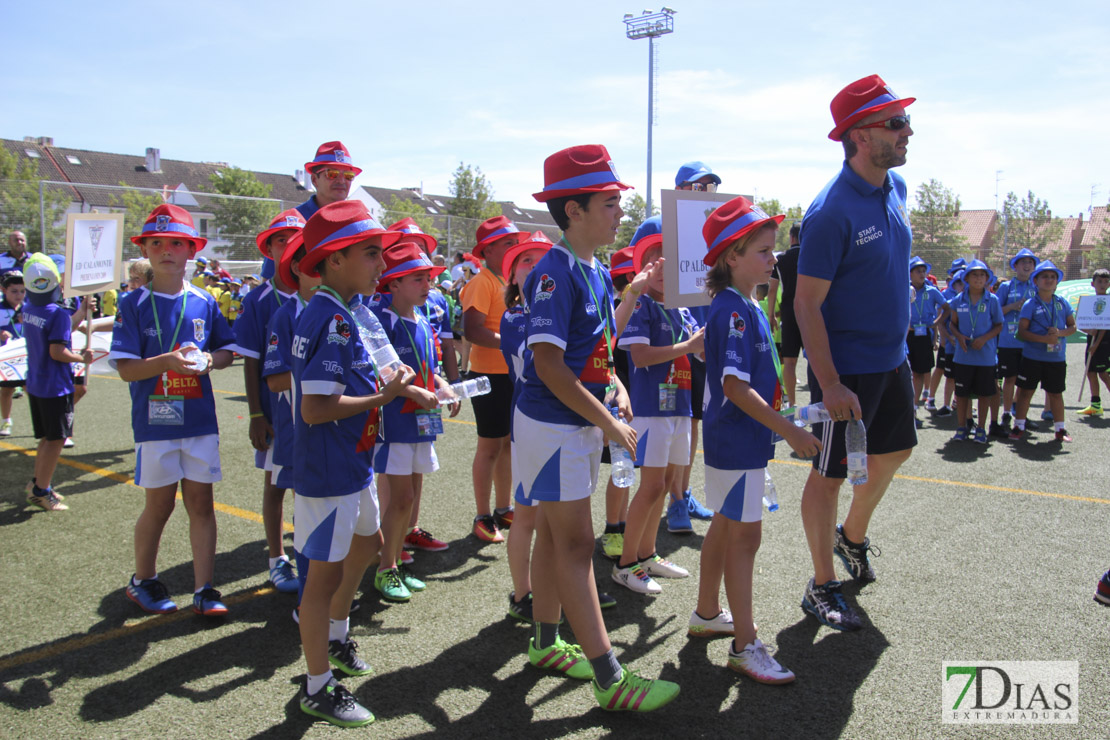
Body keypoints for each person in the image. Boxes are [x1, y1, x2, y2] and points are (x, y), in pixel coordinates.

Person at [521, 144, 679, 711]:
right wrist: (611, 418)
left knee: (554, 536)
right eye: (610, 203)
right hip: (553, 424)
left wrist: (611, 383)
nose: (619, 213)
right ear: (574, 211)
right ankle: (610, 677)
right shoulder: (552, 272)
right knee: (578, 542)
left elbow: (593, 348)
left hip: (572, 420)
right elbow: (547, 365)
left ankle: (544, 643)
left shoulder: (585, 268)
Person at [794, 75, 918, 631]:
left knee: (895, 454)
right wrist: (830, 382)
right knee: (829, 476)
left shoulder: (896, 189)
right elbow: (805, 305)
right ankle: (820, 584)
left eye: (904, 120)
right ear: (861, 135)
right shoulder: (830, 211)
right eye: (895, 123)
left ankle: (852, 536)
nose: (907, 131)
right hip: (846, 374)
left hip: (893, 361)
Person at [289, 200, 409, 727]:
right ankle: (317, 686)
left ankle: (335, 639)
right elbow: (315, 409)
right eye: (370, 253)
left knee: (369, 546)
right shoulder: (332, 319)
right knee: (322, 576)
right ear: (333, 260)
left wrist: (401, 392)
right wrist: (382, 402)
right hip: (329, 469)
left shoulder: (343, 312)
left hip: (352, 463)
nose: (381, 265)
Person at [696, 196, 819, 682]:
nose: (774, 259)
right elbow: (733, 386)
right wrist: (787, 429)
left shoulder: (744, 305)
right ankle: (745, 644)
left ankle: (707, 614)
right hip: (737, 439)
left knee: (728, 528)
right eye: (764, 251)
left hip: (740, 438)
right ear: (732, 257)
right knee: (745, 536)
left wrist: (788, 415)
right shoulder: (735, 311)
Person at [110, 204, 239, 615]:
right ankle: (142, 580)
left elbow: (226, 351)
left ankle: (205, 590)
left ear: (191, 250)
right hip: (156, 423)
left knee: (201, 504)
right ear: (145, 250)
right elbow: (128, 370)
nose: (167, 250)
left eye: (177, 243)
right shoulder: (132, 304)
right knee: (160, 505)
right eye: (157, 243)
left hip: (200, 421)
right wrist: (166, 361)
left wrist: (209, 362)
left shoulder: (204, 300)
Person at [611, 231, 703, 595]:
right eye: (654, 259)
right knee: (649, 486)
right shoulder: (642, 306)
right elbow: (640, 357)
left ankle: (647, 555)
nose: (663, 266)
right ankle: (625, 564)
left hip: (680, 405)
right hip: (650, 408)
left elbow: (701, 351)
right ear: (642, 269)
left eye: (670, 258)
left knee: (664, 485)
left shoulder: (682, 308)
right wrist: (690, 344)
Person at [369, 241, 449, 602]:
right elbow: (384, 374)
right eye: (417, 278)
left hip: (421, 420)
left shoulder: (423, 317)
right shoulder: (382, 320)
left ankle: (393, 563)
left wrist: (443, 385)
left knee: (409, 496)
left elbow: (428, 368)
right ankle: (385, 568)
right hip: (396, 422)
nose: (427, 284)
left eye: (428, 277)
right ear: (394, 283)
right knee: (400, 498)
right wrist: (416, 393)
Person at [236, 209, 306, 593]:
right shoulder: (260, 298)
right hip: (276, 413)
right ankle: (277, 558)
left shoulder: (319, 292)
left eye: (298, 239)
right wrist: (256, 413)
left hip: (314, 411)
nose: (291, 246)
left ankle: (309, 552)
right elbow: (251, 358)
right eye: (282, 240)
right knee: (276, 483)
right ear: (271, 249)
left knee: (307, 485)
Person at [461, 216, 527, 543]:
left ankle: (503, 508)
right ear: (486, 250)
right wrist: (512, 340)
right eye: (507, 243)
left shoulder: (510, 281)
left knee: (505, 446)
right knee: (489, 447)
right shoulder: (483, 281)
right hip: (487, 376)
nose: (515, 248)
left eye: (516, 242)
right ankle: (482, 515)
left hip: (510, 374)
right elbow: (471, 330)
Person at [16, 257, 92, 510]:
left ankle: (39, 483)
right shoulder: (57, 313)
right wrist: (81, 357)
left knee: (47, 438)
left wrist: (81, 312)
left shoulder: (29, 309)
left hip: (37, 382)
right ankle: (40, 490)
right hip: (55, 386)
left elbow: (59, 329)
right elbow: (58, 350)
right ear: (57, 286)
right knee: (56, 439)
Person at [1009, 260, 1076, 442]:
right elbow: (1022, 332)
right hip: (1032, 357)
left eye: (1053, 277)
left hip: (1056, 358)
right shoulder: (1030, 304)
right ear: (1036, 281)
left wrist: (1060, 333)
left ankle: (1060, 429)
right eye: (1044, 276)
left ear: (1057, 281)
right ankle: (1019, 426)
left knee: (1056, 394)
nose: (1049, 280)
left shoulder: (1062, 303)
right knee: (1025, 393)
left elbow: (1073, 327)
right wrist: (1044, 339)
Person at [941, 260, 1002, 444]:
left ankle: (981, 429)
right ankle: (962, 427)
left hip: (985, 357)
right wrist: (958, 336)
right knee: (962, 394)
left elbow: (999, 325)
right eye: (974, 275)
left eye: (982, 275)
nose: (978, 278)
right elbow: (952, 323)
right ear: (966, 278)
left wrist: (984, 339)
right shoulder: (959, 300)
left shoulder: (993, 300)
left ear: (987, 279)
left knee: (984, 394)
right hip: (963, 356)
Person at [995, 248, 1037, 431]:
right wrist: (1012, 306)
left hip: (1029, 342)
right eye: (1023, 262)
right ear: (1016, 266)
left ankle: (1021, 414)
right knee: (1010, 378)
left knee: (1025, 381)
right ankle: (1006, 414)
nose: (1027, 266)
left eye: (1030, 263)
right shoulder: (1006, 287)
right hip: (1008, 341)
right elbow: (995, 312)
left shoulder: (1036, 287)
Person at [906, 256, 947, 427]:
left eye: (924, 271)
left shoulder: (932, 291)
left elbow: (947, 308)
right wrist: (904, 323)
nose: (922, 274)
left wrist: (936, 323)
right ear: (910, 274)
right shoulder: (904, 290)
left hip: (923, 338)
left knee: (919, 373)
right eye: (918, 271)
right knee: (904, 374)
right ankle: (905, 411)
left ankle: (914, 410)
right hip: (906, 336)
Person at [767, 222, 804, 406]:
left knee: (789, 362)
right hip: (811, 312)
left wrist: (771, 314)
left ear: (791, 238)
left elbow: (772, 289)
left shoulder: (781, 260)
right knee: (814, 359)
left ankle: (792, 405)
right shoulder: (811, 256)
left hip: (789, 313)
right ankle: (818, 402)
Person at [1079, 268, 1110, 416]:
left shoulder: (1108, 301)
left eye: (1106, 281)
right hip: (1091, 341)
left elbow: (1104, 325)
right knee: (1091, 372)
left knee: (1103, 374)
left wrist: (1096, 344)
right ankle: (1096, 406)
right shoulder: (1089, 302)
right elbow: (1082, 322)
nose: (1103, 284)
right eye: (1099, 281)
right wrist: (1088, 331)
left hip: (1104, 343)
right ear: (1093, 284)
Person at [0, 270, 26, 436]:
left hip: (25, 354)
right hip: (6, 356)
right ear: (3, 290)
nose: (19, 295)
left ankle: (42, 423)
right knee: (7, 390)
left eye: (22, 291)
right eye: (14, 291)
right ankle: (6, 421)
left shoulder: (27, 308)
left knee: (32, 388)